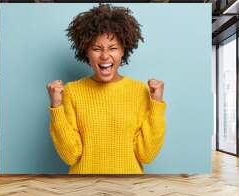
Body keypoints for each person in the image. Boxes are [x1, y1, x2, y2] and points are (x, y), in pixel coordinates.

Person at [46, 4, 166, 174]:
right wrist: (56, 107)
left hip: (128, 189)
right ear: (86, 51)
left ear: (124, 50)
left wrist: (156, 105)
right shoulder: (72, 91)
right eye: (96, 48)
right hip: (83, 189)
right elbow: (71, 156)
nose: (104, 56)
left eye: (113, 48)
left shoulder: (140, 90)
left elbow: (146, 155)